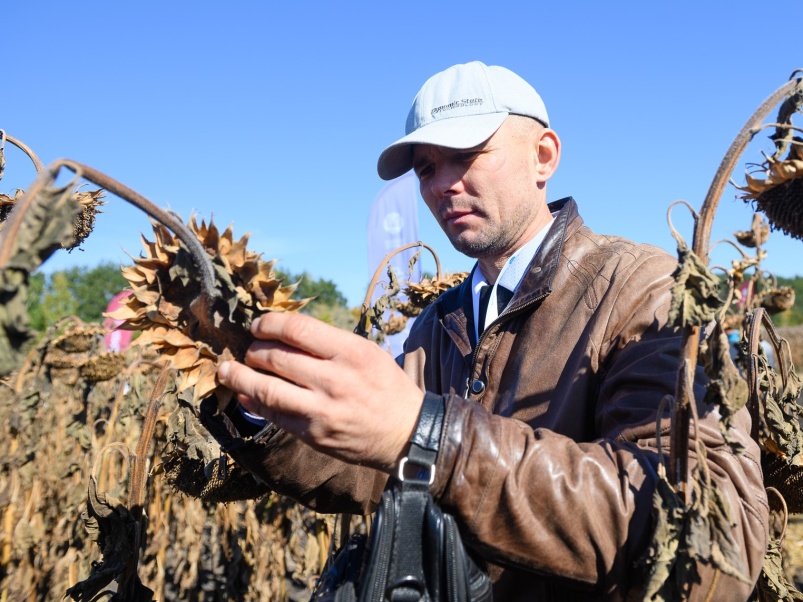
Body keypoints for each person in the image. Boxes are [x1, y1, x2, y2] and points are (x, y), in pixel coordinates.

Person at [215, 61, 768, 600]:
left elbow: (712, 539)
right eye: (426, 169)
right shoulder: (439, 323)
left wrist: (426, 432)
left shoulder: (643, 289)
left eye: (465, 155)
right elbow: (371, 470)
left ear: (543, 156)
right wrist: (261, 401)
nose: (442, 185)